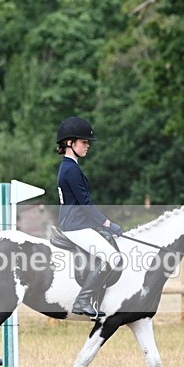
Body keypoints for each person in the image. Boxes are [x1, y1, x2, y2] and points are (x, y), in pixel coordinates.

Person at [55, 116, 122, 318]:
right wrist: (107, 223)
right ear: (70, 143)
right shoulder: (71, 169)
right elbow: (85, 204)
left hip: (77, 223)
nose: (87, 146)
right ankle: (83, 300)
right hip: (75, 226)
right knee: (113, 257)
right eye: (84, 142)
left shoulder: (69, 167)